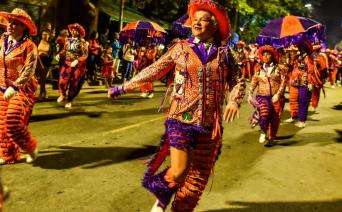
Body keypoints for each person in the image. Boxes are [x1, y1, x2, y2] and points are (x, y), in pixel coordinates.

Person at [108, 0, 245, 211]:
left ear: (215, 25)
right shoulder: (180, 48)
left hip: (210, 122)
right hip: (180, 117)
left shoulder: (226, 54)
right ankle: (162, 197)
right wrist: (123, 87)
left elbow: (237, 80)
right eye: (194, 19)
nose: (197, 23)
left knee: (197, 179)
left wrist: (234, 100)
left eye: (203, 19)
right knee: (180, 171)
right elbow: (154, 70)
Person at [0, 8, 39, 164]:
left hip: (21, 89)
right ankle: (8, 155)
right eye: (10, 22)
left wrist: (15, 87)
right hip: (2, 86)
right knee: (2, 124)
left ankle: (31, 147)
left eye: (16, 23)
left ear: (24, 27)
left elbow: (29, 69)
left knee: (13, 121)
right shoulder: (2, 40)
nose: (11, 26)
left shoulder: (29, 46)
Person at [248, 45, 286, 146]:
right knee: (264, 114)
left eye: (268, 54)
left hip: (276, 97)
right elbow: (254, 82)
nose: (265, 57)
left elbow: (283, 82)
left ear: (272, 56)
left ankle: (272, 137)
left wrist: (278, 95)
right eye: (263, 55)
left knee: (275, 118)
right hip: (262, 96)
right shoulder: (258, 69)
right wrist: (250, 94)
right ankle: (263, 131)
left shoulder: (279, 68)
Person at [286, 40, 317, 128]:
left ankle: (302, 121)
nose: (299, 48)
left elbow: (311, 71)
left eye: (301, 47)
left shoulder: (308, 58)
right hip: (296, 82)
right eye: (299, 47)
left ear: (305, 48)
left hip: (305, 83)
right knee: (294, 100)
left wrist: (310, 82)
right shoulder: (298, 57)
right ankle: (295, 117)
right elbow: (292, 66)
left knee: (303, 102)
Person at [56, 23, 88, 109]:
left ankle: (69, 100)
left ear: (79, 32)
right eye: (72, 29)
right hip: (67, 64)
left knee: (74, 83)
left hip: (77, 66)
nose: (73, 31)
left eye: (76, 30)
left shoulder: (83, 42)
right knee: (62, 80)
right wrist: (59, 55)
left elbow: (85, 55)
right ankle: (62, 94)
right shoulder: (68, 40)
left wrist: (77, 60)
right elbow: (64, 50)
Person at [35, 29, 53, 100]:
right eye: (43, 34)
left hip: (46, 61)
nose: (44, 36)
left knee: (43, 78)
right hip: (39, 60)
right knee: (41, 78)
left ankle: (42, 93)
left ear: (49, 35)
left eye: (46, 34)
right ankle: (43, 93)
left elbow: (52, 54)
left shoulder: (51, 43)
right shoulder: (38, 42)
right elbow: (35, 50)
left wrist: (46, 54)